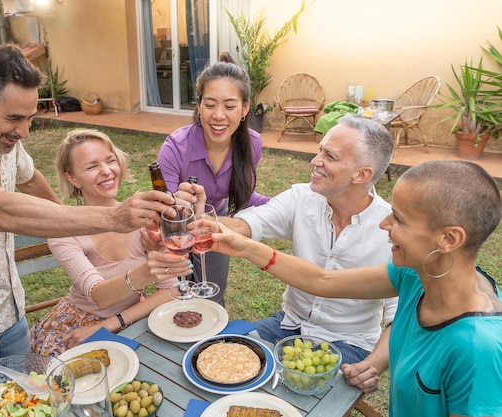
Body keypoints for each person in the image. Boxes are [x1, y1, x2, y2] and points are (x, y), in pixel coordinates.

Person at [0, 44, 174, 392]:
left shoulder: (2, 137)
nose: (24, 132)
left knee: (26, 405)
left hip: (10, 315)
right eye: (14, 118)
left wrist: (68, 222)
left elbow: (30, 176)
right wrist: (109, 217)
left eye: (29, 118)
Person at [210, 160, 502, 417]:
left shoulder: (478, 349)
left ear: (449, 239)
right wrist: (245, 247)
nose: (384, 223)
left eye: (398, 218)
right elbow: (323, 282)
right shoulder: (417, 275)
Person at [174, 114, 397, 393]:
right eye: (319, 150)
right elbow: (245, 225)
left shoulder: (392, 230)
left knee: (299, 403)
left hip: (349, 344)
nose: (315, 161)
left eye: (329, 155)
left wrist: (373, 364)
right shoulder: (302, 198)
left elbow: (399, 318)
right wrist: (202, 218)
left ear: (361, 174)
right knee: (217, 361)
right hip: (287, 326)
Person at [30, 129, 187, 355]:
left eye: (110, 160)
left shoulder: (145, 219)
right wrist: (153, 268)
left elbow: (173, 290)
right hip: (77, 324)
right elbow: (99, 296)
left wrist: (112, 323)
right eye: (92, 166)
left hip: (131, 319)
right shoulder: (64, 230)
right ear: (72, 177)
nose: (106, 171)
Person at [152, 52, 270, 305]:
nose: (218, 115)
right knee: (177, 299)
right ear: (198, 106)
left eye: (229, 106)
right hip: (175, 230)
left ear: (245, 108)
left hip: (214, 220)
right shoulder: (175, 147)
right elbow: (166, 213)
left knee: (213, 296)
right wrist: (181, 210)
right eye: (210, 105)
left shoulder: (252, 143)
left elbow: (245, 194)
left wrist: (287, 205)